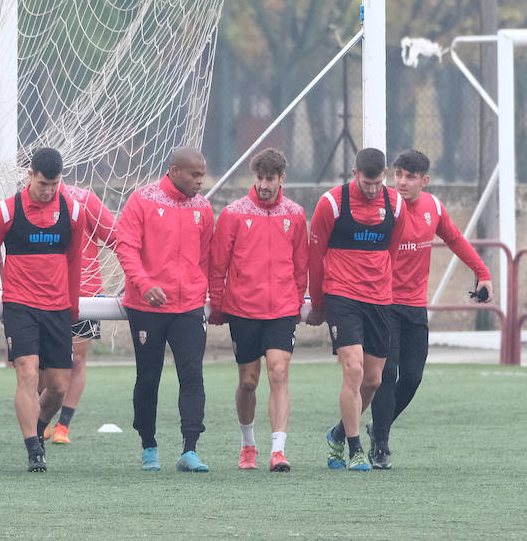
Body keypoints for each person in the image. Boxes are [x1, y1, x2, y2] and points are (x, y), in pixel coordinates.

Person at [368, 149, 492, 469]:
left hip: (414, 308)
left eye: (410, 176)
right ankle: (380, 445)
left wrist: (483, 273)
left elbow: (456, 240)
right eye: (398, 175)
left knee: (412, 378)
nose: (402, 182)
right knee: (387, 374)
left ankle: (353, 429)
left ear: (424, 180)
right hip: (384, 304)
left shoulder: (433, 207)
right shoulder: (382, 206)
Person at [0, 147, 85, 473]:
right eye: (44, 183)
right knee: (28, 374)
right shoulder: (6, 212)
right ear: (30, 175)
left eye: (55, 184)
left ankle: (39, 429)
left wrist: (73, 305)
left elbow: (75, 261)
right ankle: (33, 449)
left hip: (58, 308)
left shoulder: (74, 212)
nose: (49, 190)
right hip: (19, 306)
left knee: (58, 386)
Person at [304, 147, 406, 472]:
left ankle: (336, 433)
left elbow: (391, 250)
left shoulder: (396, 205)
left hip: (379, 300)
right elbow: (315, 255)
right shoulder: (332, 203)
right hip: (342, 296)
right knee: (354, 369)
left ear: (385, 176)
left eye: (377, 183)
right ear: (354, 174)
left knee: (373, 380)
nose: (372, 189)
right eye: (366, 182)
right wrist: (318, 302)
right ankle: (354, 448)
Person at [116, 146, 215, 473]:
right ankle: (148, 445)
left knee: (192, 374)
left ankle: (190, 449)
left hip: (188, 306)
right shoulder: (141, 200)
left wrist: (201, 291)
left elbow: (205, 258)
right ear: (174, 170)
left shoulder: (203, 207)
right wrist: (145, 284)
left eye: (202, 175)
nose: (200, 181)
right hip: (147, 306)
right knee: (148, 376)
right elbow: (125, 246)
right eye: (194, 174)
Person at [208, 148, 307, 473]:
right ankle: (248, 444)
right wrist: (220, 304)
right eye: (260, 178)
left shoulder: (295, 214)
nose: (264, 184)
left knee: (279, 372)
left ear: (281, 179)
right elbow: (219, 262)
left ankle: (278, 451)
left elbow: (300, 265)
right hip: (244, 309)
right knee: (248, 381)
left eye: (270, 178)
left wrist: (296, 301)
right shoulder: (234, 213)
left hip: (280, 309)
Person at [46, 182, 117, 445]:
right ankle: (44, 416)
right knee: (41, 363)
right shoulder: (24, 202)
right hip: (43, 294)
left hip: (85, 293)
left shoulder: (84, 199)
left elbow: (115, 236)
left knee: (76, 359)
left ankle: (62, 425)